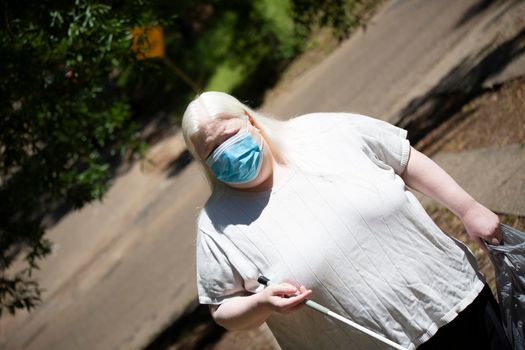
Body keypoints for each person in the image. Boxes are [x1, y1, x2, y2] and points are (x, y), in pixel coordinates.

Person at [181, 91, 511, 349]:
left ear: (250, 120)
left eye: (230, 135)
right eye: (211, 151)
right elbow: (222, 310)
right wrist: (261, 303)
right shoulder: (217, 226)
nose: (225, 151)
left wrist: (468, 209)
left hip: (453, 302)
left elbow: (402, 157)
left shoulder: (323, 132)